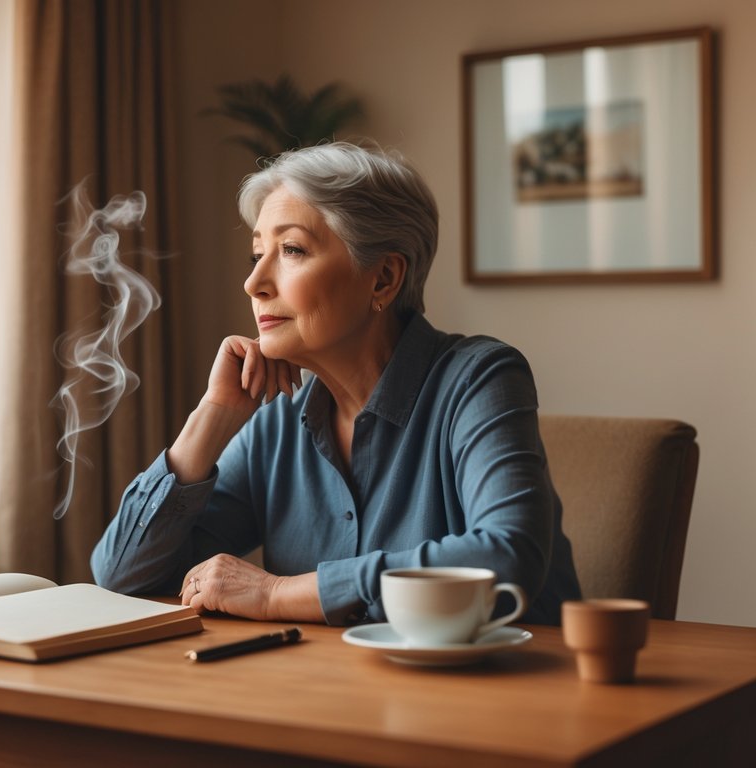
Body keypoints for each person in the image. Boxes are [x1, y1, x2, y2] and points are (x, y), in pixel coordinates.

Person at [90, 141, 580, 626]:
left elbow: (508, 555)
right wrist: (212, 417)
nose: (254, 282)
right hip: (335, 696)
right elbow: (121, 577)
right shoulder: (279, 421)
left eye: (291, 250)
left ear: (383, 279)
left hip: (505, 693)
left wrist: (277, 595)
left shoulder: (480, 379)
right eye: (257, 254)